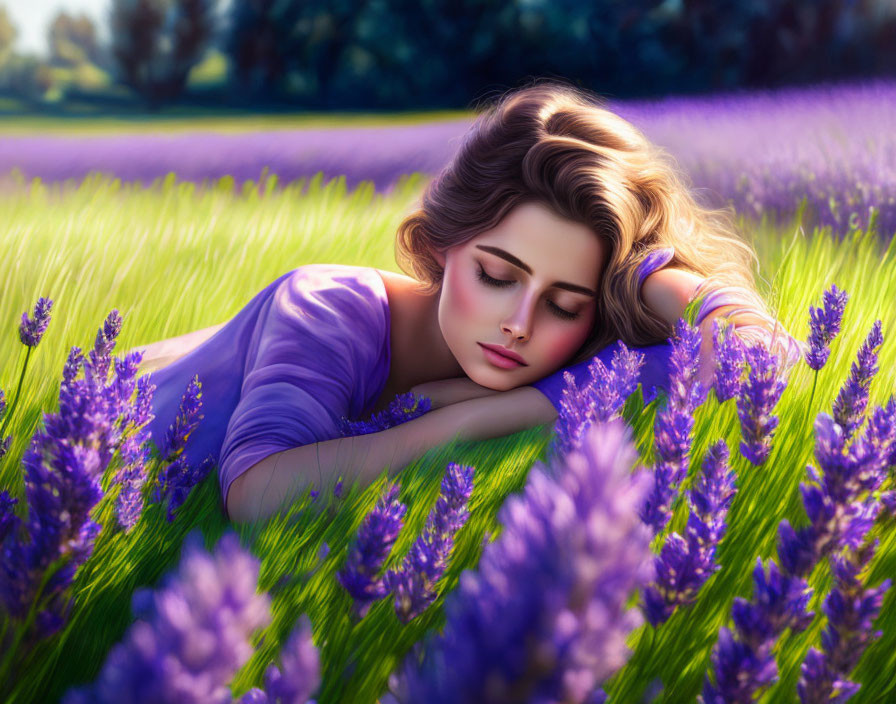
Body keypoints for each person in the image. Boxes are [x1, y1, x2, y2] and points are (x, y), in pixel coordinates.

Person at [130, 80, 804, 525]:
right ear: (440, 244)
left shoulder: (553, 357)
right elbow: (258, 494)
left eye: (565, 304)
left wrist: (642, 271)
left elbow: (761, 353)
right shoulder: (327, 307)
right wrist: (460, 423)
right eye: (496, 274)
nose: (518, 324)